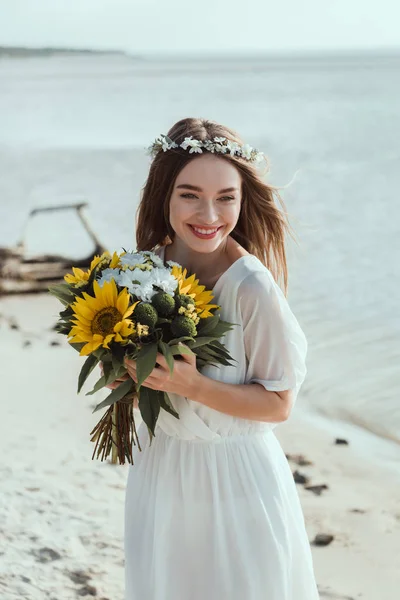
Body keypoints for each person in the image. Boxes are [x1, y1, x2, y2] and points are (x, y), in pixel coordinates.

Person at [112, 118, 320, 599]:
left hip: (234, 482)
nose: (209, 213)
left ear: (242, 200)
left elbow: (279, 404)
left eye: (226, 196)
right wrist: (122, 375)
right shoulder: (143, 271)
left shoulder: (251, 288)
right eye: (190, 194)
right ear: (164, 195)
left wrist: (193, 386)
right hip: (161, 470)